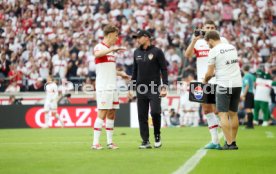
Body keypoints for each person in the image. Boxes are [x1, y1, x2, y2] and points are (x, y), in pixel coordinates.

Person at [185, 20, 228, 149]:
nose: (209, 29)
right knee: (207, 110)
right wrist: (193, 40)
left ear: (215, 29)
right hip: (202, 81)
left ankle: (228, 140)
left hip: (218, 79)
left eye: (212, 27)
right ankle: (215, 141)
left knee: (219, 110)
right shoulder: (198, 42)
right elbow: (187, 55)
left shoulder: (222, 40)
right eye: (207, 27)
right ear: (203, 28)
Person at [92, 24, 130, 150]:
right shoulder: (99, 46)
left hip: (112, 86)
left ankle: (109, 142)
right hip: (103, 86)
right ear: (109, 35)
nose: (117, 37)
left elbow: (110, 69)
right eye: (115, 35)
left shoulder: (110, 52)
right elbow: (97, 55)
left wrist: (121, 74)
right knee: (102, 112)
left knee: (112, 113)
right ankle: (95, 143)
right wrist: (112, 49)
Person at [128, 30, 168, 149]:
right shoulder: (136, 52)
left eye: (139, 37)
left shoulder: (157, 51)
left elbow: (164, 69)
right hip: (141, 88)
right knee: (142, 115)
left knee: (155, 112)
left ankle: (157, 135)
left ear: (146, 37)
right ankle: (145, 141)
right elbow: (135, 71)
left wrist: (164, 86)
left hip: (154, 87)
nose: (137, 40)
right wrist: (131, 88)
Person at [203, 31, 242, 150]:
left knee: (222, 114)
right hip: (236, 83)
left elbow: (209, 73)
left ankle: (228, 143)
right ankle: (233, 141)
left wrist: (205, 81)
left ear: (210, 40)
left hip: (224, 84)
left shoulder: (213, 51)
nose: (207, 45)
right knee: (233, 114)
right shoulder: (232, 47)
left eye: (207, 42)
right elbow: (228, 65)